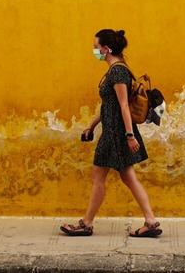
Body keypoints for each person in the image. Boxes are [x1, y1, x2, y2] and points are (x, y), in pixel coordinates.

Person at [59, 29, 162, 238]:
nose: (95, 51)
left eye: (97, 48)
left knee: (99, 177)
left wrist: (129, 136)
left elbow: (124, 106)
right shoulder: (117, 69)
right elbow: (109, 105)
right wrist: (93, 124)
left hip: (116, 134)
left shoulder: (117, 72)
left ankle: (86, 224)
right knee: (128, 177)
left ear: (107, 49)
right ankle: (150, 221)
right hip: (114, 131)